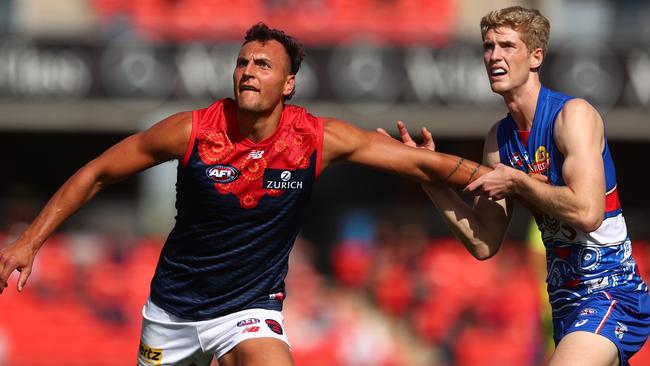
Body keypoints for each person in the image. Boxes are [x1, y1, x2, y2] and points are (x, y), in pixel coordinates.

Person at [0, 23, 491, 366]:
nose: (248, 71)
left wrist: (512, 180)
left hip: (248, 310)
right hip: (170, 313)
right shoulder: (191, 130)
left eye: (262, 64)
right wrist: (30, 241)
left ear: (289, 83)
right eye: (242, 62)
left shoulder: (317, 139)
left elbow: (422, 162)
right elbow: (97, 173)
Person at [386, 6, 649, 366]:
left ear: (536, 56)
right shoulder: (499, 139)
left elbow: (588, 213)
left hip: (610, 292)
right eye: (488, 46)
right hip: (564, 303)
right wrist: (427, 179)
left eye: (507, 46)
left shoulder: (572, 116)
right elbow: (483, 241)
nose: (494, 56)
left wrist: (518, 181)